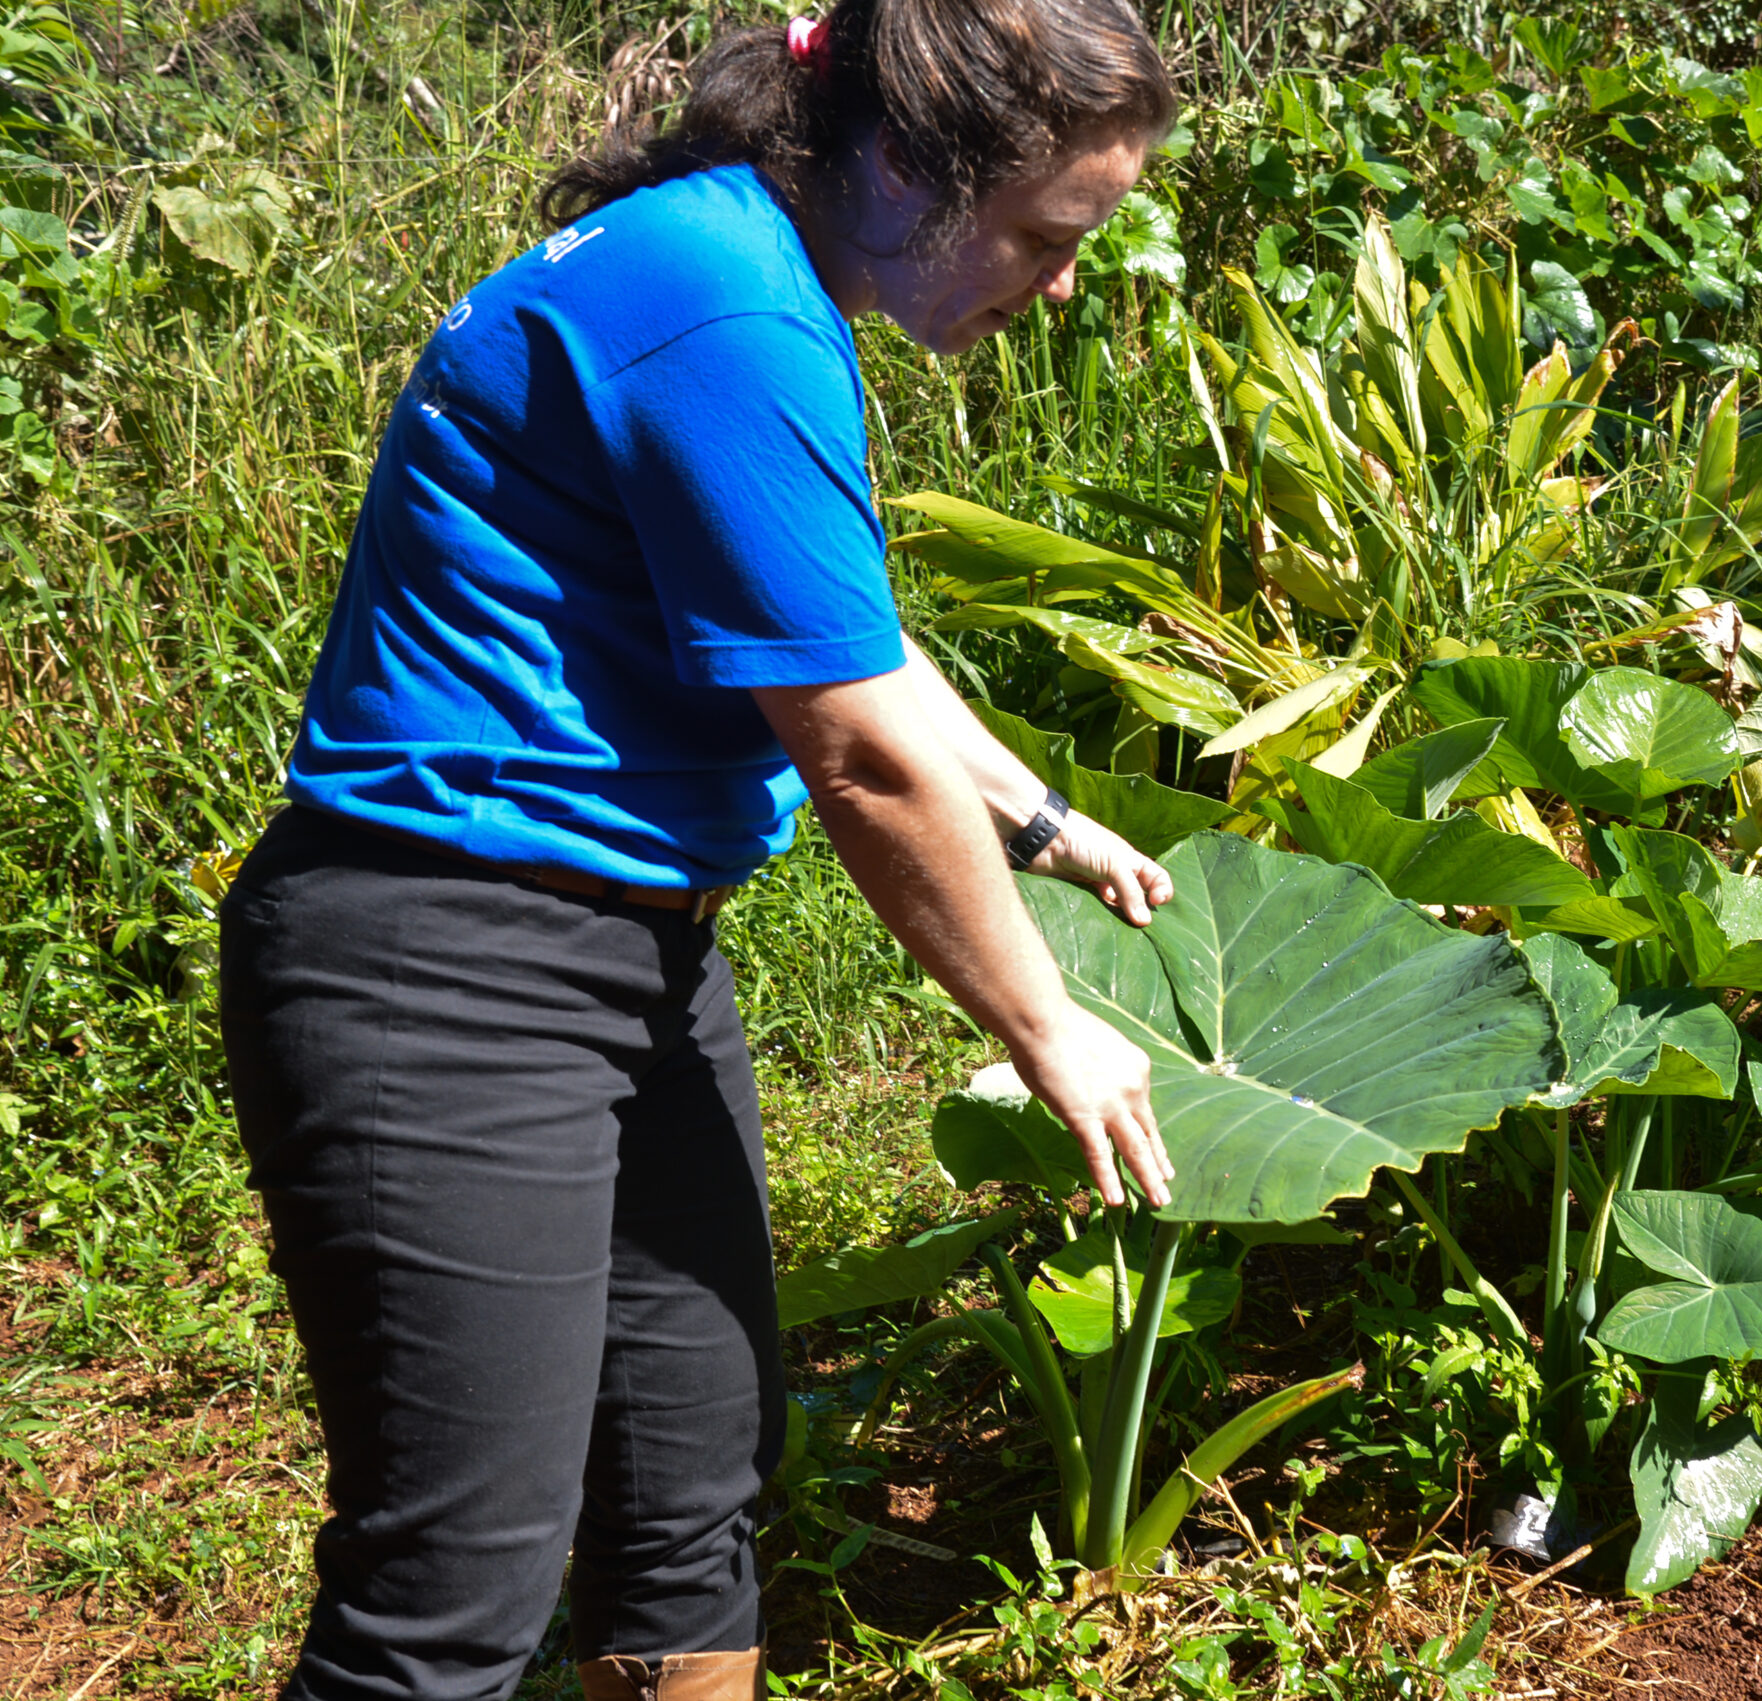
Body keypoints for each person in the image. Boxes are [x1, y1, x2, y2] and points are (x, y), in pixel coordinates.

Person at [217, 4, 1182, 1696]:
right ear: (908, 163)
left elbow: (841, 643)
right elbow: (863, 759)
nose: (1061, 280)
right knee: (447, 1598)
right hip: (445, 966)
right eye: (1046, 234)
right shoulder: (720, 300)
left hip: (626, 954)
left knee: (687, 1491)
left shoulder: (743, 267)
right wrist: (1052, 1030)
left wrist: (1032, 814)